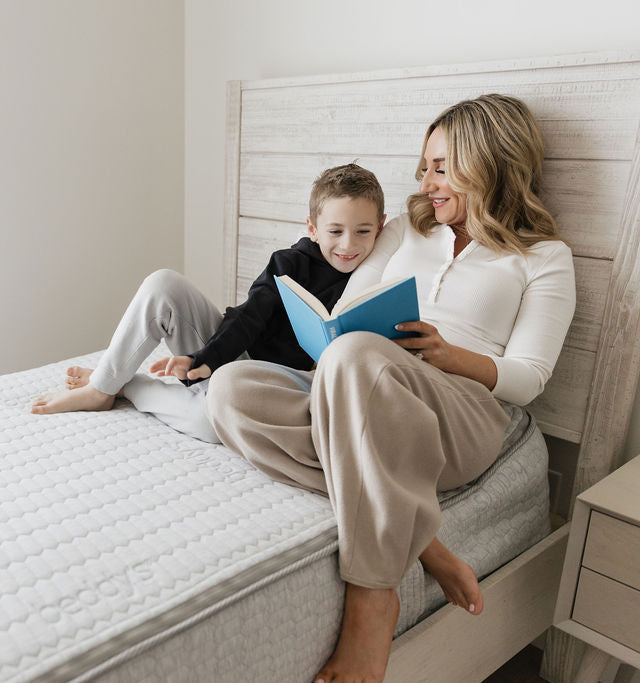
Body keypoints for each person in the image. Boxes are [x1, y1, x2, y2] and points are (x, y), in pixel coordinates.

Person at [205, 94, 575, 683]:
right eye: (423, 165)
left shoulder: (543, 257)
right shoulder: (404, 230)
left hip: (460, 412)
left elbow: (530, 378)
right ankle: (424, 540)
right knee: (231, 390)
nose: (424, 179)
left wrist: (447, 355)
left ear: (490, 159)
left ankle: (373, 596)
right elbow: (348, 313)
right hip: (358, 386)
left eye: (439, 166)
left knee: (356, 357)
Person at [30, 164, 386, 444]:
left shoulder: (376, 277)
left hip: (265, 385)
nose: (348, 244)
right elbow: (250, 315)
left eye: (363, 231)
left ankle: (127, 385)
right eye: (335, 231)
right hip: (232, 348)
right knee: (163, 283)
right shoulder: (290, 262)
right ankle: (101, 388)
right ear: (313, 228)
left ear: (381, 227)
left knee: (216, 425)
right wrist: (208, 358)